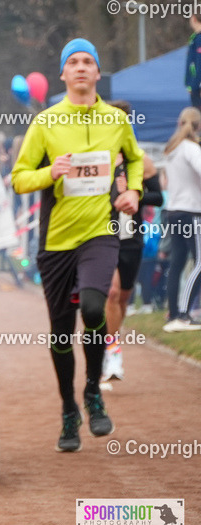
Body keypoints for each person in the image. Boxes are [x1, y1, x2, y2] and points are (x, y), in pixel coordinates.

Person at [11, 38, 142, 452]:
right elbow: (19, 178)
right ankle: (69, 408)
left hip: (100, 233)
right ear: (63, 74)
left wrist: (133, 191)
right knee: (61, 332)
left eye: (88, 61)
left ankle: (92, 391)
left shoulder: (116, 120)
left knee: (93, 307)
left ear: (97, 72)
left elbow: (135, 158)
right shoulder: (45, 123)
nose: (81, 67)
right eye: (73, 62)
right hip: (55, 240)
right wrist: (50, 173)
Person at [103, 101, 163, 382]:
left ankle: (111, 338)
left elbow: (158, 197)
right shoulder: (99, 158)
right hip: (104, 235)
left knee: (124, 297)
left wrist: (134, 194)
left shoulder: (140, 160)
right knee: (112, 293)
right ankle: (112, 352)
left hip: (131, 237)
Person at [159, 106, 201, 332]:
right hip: (191, 211)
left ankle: (173, 313)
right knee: (199, 262)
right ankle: (184, 315)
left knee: (177, 263)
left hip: (173, 211)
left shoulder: (172, 149)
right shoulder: (191, 148)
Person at [187, 13, 201, 109]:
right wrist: (190, 84)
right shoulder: (195, 38)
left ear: (194, 18)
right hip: (195, 85)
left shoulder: (199, 38)